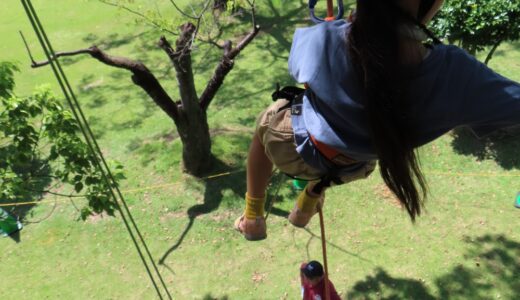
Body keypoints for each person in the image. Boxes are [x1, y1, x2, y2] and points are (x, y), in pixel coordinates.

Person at [234, 0, 520, 241]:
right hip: (356, 165)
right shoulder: (456, 76)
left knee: (267, 121)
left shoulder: (325, 39)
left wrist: (336, 29)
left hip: (291, 146)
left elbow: (299, 67)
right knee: (333, 163)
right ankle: (310, 198)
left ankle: (253, 218)